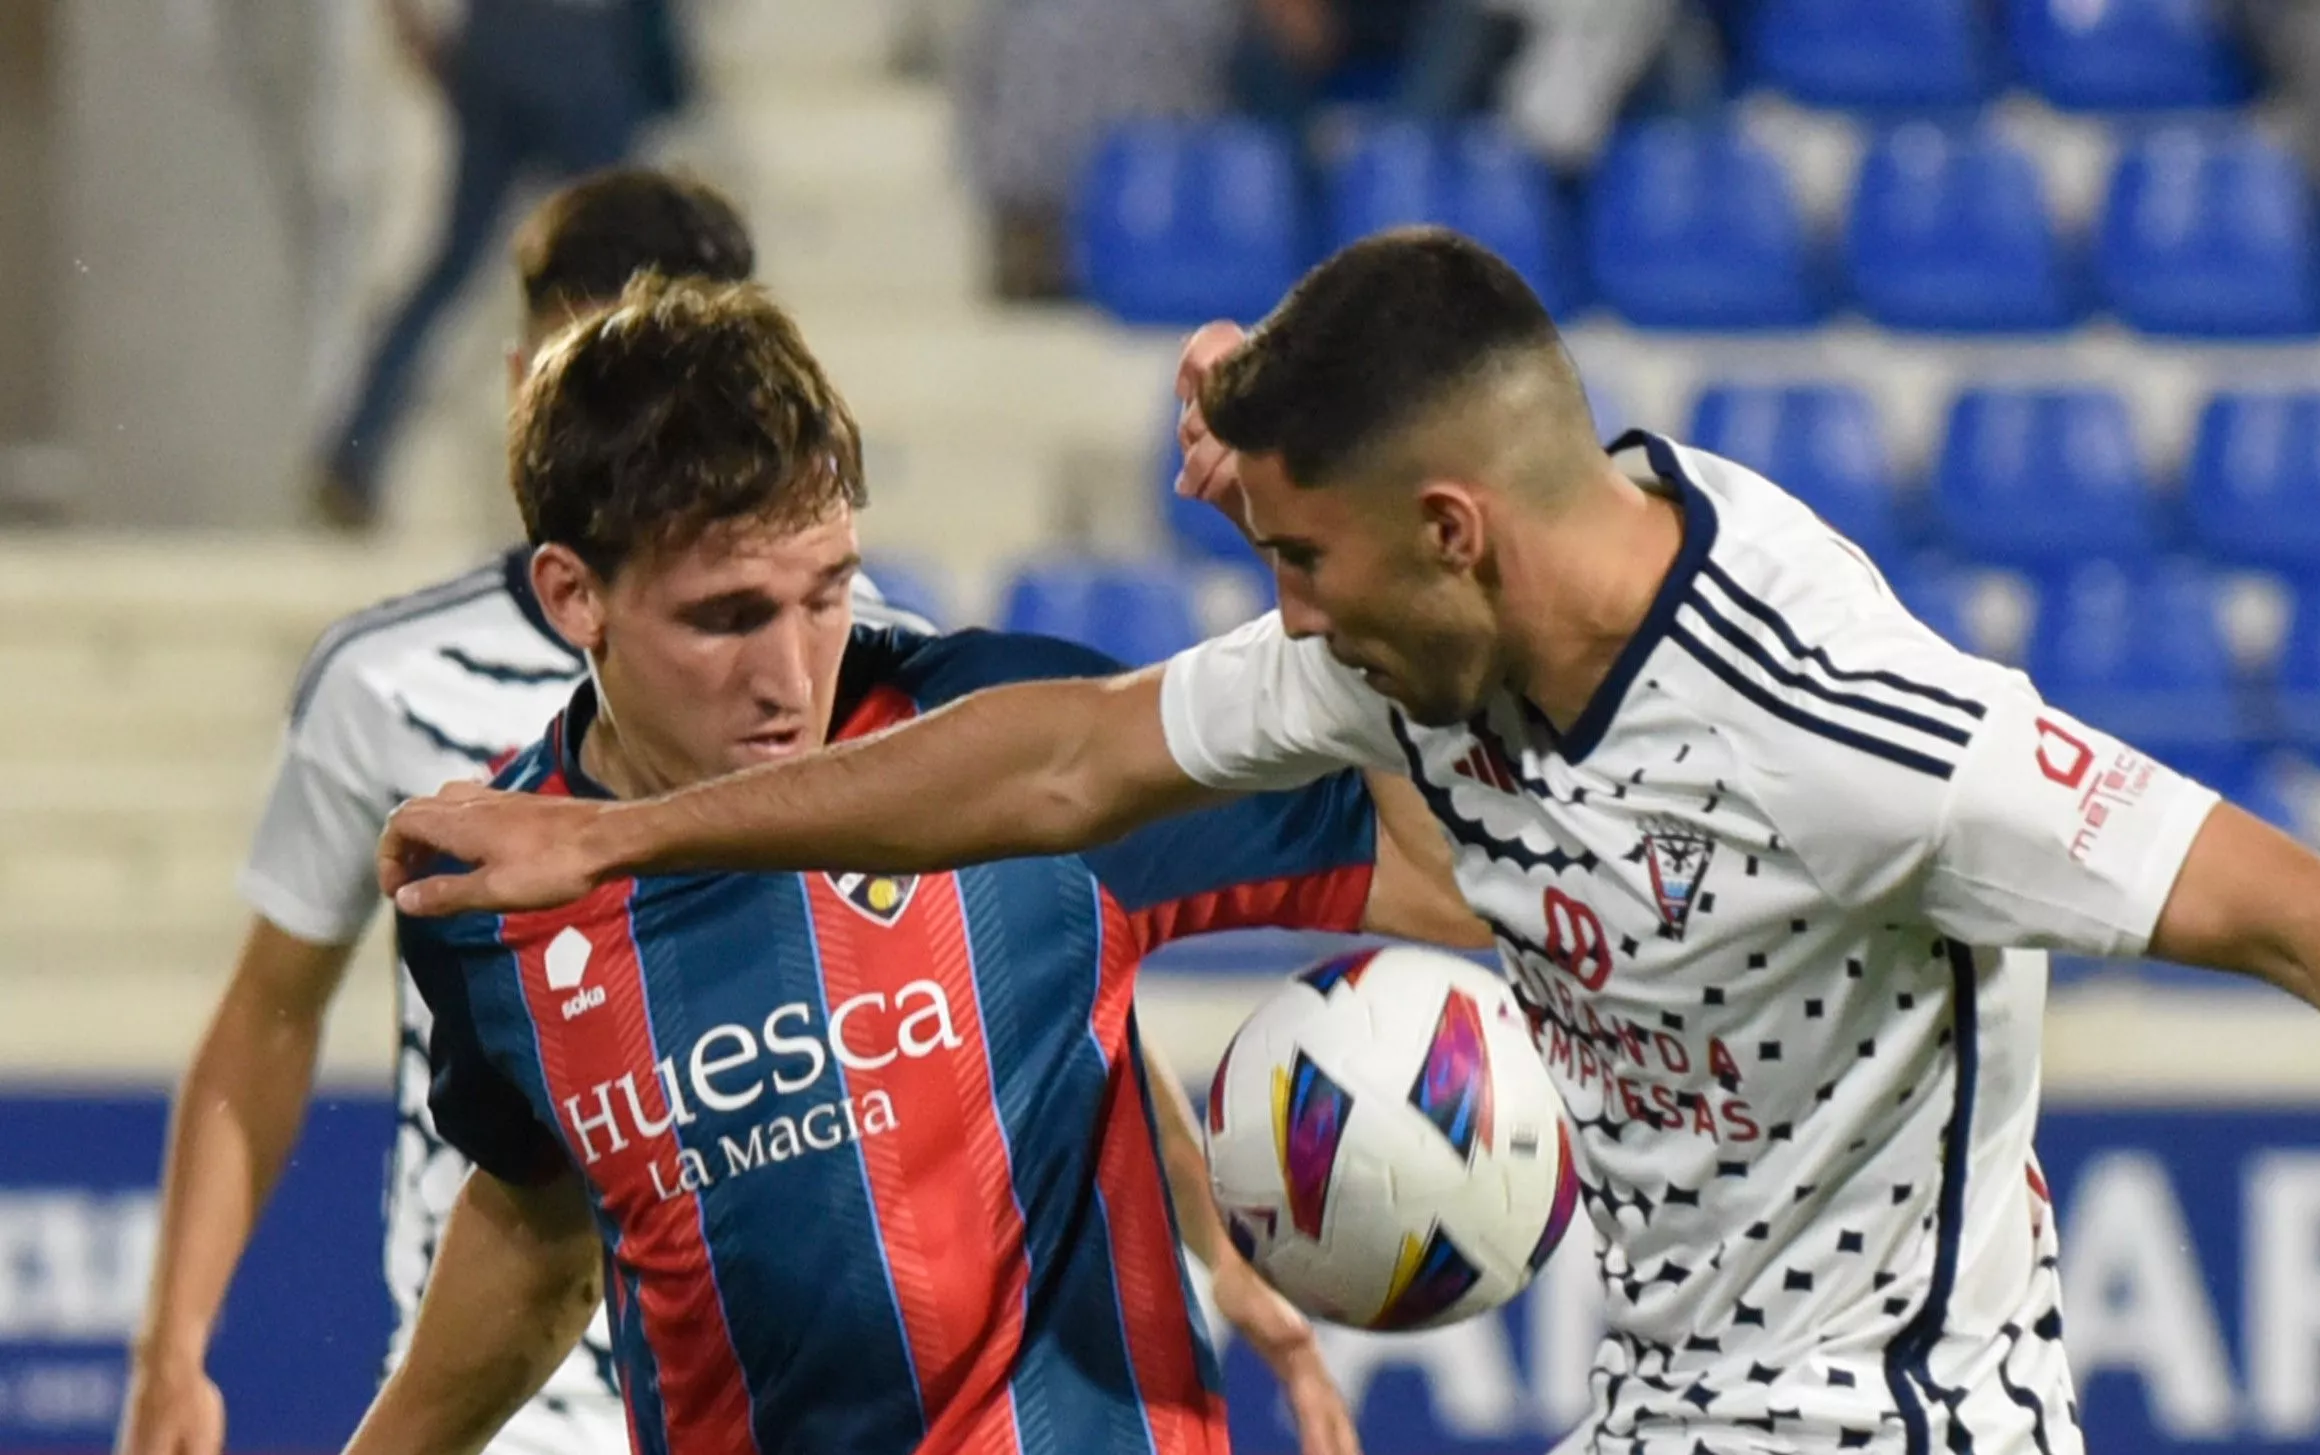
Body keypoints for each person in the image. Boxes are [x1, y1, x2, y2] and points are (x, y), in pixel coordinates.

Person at [382, 227, 2320, 1455]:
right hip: (1659, 1411)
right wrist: (621, 850)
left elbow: (2305, 917)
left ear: (1449, 528)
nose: (1284, 620)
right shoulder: (1397, 649)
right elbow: (1060, 765)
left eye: (1298, 562)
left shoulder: (1850, 737)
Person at [346, 274, 1479, 1453]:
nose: (790, 675)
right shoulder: (493, 902)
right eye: (727, 618)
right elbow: (538, 1231)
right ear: (573, 594)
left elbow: (1436, 870)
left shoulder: (1021, 748)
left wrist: (1317, 541)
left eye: (826, 593)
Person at [117, 169, 928, 1455]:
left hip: (792, 1384)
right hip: (513, 1404)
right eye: (592, 380)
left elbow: (1035, 958)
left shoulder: (875, 665)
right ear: (519, 385)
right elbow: (270, 1016)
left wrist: (1213, 1261)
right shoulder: (386, 683)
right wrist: (173, 1350)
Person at [315, 0, 691, 529]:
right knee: (615, 276)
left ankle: (357, 449)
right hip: (588, 47)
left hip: (498, 37)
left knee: (453, 264)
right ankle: (628, 473)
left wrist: (411, 29)